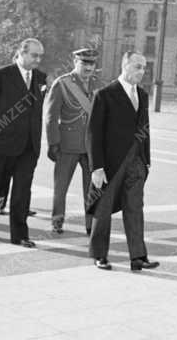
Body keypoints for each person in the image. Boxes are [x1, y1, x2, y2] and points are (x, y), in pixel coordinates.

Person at [0, 38, 47, 246]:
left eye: (40, 56)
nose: (38, 60)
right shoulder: (0, 75)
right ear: (21, 53)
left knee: (22, 191)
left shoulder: (41, 79)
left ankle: (20, 235)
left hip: (28, 146)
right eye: (34, 55)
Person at [88, 51, 158, 271]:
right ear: (125, 65)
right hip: (110, 164)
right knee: (104, 208)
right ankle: (100, 255)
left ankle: (137, 256)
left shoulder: (143, 95)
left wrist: (146, 160)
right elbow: (93, 134)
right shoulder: (105, 94)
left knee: (135, 208)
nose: (142, 72)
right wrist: (97, 168)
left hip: (136, 163)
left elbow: (144, 129)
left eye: (144, 67)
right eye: (137, 66)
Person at [44, 48, 98, 234]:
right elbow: (51, 116)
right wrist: (53, 143)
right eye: (84, 63)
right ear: (75, 61)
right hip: (67, 144)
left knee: (92, 188)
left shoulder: (98, 84)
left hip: (91, 146)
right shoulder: (63, 83)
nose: (88, 68)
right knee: (61, 186)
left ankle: (91, 223)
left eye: (91, 64)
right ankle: (57, 220)